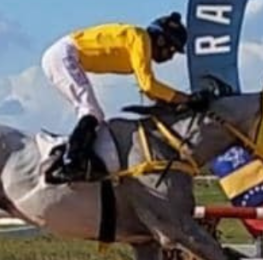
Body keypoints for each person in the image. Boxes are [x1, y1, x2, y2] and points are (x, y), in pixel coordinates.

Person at [40, 12, 191, 183]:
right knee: (91, 111)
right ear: (162, 40)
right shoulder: (141, 39)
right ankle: (71, 162)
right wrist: (185, 99)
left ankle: (75, 155)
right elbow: (149, 85)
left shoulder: (141, 43)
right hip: (64, 56)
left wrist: (174, 103)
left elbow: (150, 91)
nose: (170, 57)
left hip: (66, 56)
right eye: (172, 50)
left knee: (93, 113)